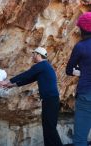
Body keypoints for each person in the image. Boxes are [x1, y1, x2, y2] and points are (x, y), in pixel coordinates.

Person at [0, 47, 63, 146]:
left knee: (49, 128)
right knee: (48, 127)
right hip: (50, 100)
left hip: (50, 100)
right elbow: (28, 79)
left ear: (38, 55)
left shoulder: (41, 65)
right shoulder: (44, 67)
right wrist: (12, 85)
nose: (32, 56)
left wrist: (7, 81)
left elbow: (26, 74)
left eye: (34, 54)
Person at [66, 12, 91, 146]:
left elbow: (69, 70)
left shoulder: (80, 47)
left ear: (82, 29)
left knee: (80, 139)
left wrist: (81, 71)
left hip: (86, 95)